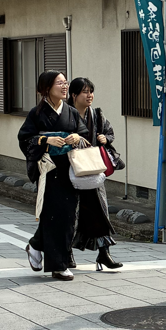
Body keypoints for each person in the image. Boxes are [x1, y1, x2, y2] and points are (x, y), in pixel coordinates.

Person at [18, 71, 85, 281]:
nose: (65, 87)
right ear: (47, 87)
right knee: (52, 214)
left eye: (65, 83)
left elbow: (84, 134)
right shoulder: (36, 114)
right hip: (48, 169)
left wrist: (76, 136)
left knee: (68, 215)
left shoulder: (72, 112)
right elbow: (25, 138)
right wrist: (45, 140)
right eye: (60, 83)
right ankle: (59, 265)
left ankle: (37, 245)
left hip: (70, 169)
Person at [69, 77, 122, 272]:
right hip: (72, 170)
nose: (89, 95)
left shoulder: (97, 115)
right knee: (73, 213)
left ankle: (104, 253)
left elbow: (110, 133)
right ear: (74, 95)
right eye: (85, 92)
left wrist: (105, 138)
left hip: (93, 169)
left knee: (100, 211)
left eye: (91, 91)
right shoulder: (67, 114)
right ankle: (67, 252)